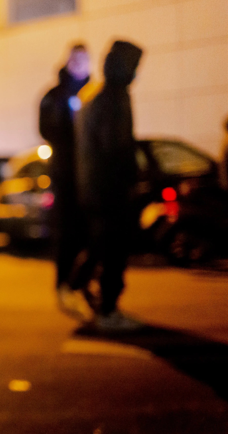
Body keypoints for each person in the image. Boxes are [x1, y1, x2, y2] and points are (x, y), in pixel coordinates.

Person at [72, 40, 144, 332]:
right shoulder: (112, 98)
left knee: (104, 246)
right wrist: (131, 176)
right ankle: (107, 310)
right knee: (113, 251)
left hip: (98, 188)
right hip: (108, 189)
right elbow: (114, 147)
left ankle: (83, 288)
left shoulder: (100, 96)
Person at [38, 44, 92, 320]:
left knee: (93, 235)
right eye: (77, 59)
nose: (82, 64)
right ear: (68, 61)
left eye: (86, 59)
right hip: (67, 176)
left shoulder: (95, 92)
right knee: (68, 234)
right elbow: (46, 129)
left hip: (91, 175)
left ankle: (82, 284)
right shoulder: (55, 95)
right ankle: (64, 284)